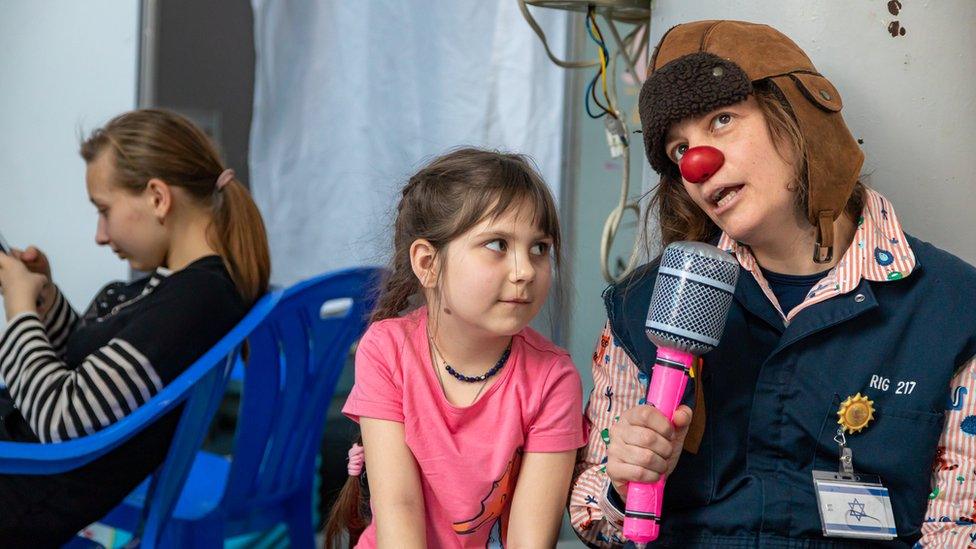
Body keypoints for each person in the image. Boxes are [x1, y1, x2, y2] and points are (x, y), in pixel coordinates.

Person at [569, 20, 976, 547]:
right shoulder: (642, 306)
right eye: (677, 150)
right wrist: (625, 486)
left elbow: (959, 528)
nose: (698, 164)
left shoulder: (952, 308)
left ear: (799, 116)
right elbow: (592, 516)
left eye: (722, 120)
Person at [0, 109, 270, 545]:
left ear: (158, 198)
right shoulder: (185, 291)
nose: (100, 235)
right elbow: (99, 378)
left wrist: (19, 309)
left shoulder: (197, 301)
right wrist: (43, 299)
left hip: (19, 486)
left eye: (104, 210)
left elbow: (62, 418)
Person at [327, 148, 585, 548]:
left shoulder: (554, 379)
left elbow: (529, 540)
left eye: (540, 248)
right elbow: (399, 510)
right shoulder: (386, 349)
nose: (525, 271)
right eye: (498, 244)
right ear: (428, 263)